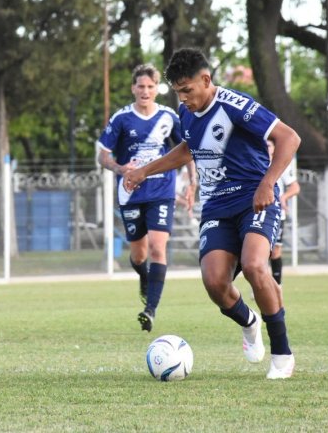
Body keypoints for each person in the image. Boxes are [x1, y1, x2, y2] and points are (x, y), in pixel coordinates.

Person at [123, 48, 301, 379]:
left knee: (253, 265)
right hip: (217, 206)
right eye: (178, 92)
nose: (184, 98)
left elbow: (289, 138)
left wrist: (268, 183)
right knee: (214, 281)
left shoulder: (236, 106)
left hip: (254, 199)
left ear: (206, 80)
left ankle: (282, 353)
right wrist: (144, 171)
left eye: (188, 90)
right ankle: (249, 321)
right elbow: (188, 148)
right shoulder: (186, 112)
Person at [96, 63, 196, 333]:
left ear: (157, 90)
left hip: (162, 189)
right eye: (141, 86)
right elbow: (103, 155)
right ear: (133, 88)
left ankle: (150, 310)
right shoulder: (121, 119)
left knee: (157, 247)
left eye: (151, 87)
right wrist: (119, 168)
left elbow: (187, 149)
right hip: (130, 192)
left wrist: (192, 182)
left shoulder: (168, 117)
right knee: (139, 255)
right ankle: (144, 276)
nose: (145, 91)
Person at [267, 138, 300, 286]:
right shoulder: (254, 162)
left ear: (274, 147)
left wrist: (284, 197)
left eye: (268, 145)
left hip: (276, 214)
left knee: (275, 251)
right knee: (257, 253)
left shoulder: (281, 165)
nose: (266, 147)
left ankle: (276, 286)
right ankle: (261, 286)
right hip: (255, 213)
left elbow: (295, 187)